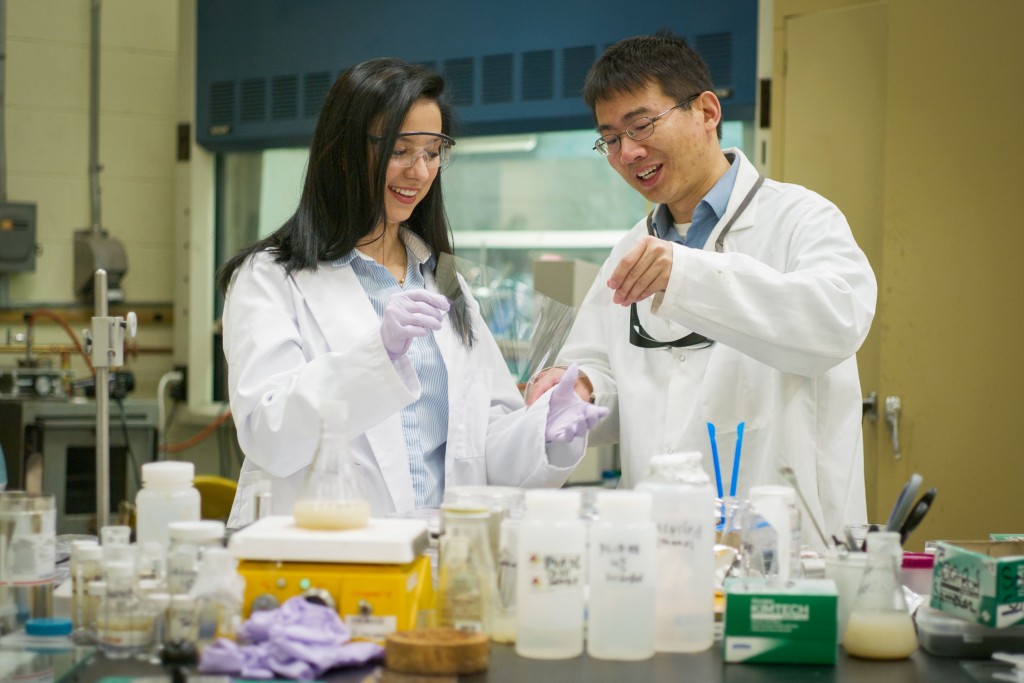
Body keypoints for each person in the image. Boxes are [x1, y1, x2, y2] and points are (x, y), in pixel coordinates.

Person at [218, 58, 607, 527]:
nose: (419, 172)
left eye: (433, 151)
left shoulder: (443, 279)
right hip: (323, 554)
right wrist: (375, 357)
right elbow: (268, 433)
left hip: (437, 553)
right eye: (401, 150)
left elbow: (482, 445)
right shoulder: (271, 277)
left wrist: (543, 428)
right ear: (343, 151)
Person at [526, 32, 877, 548]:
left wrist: (687, 276)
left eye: (641, 125)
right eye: (610, 139)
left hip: (788, 546)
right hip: (660, 547)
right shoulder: (628, 249)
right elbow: (601, 366)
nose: (628, 152)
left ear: (707, 112)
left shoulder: (801, 219)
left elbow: (837, 322)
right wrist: (580, 389)